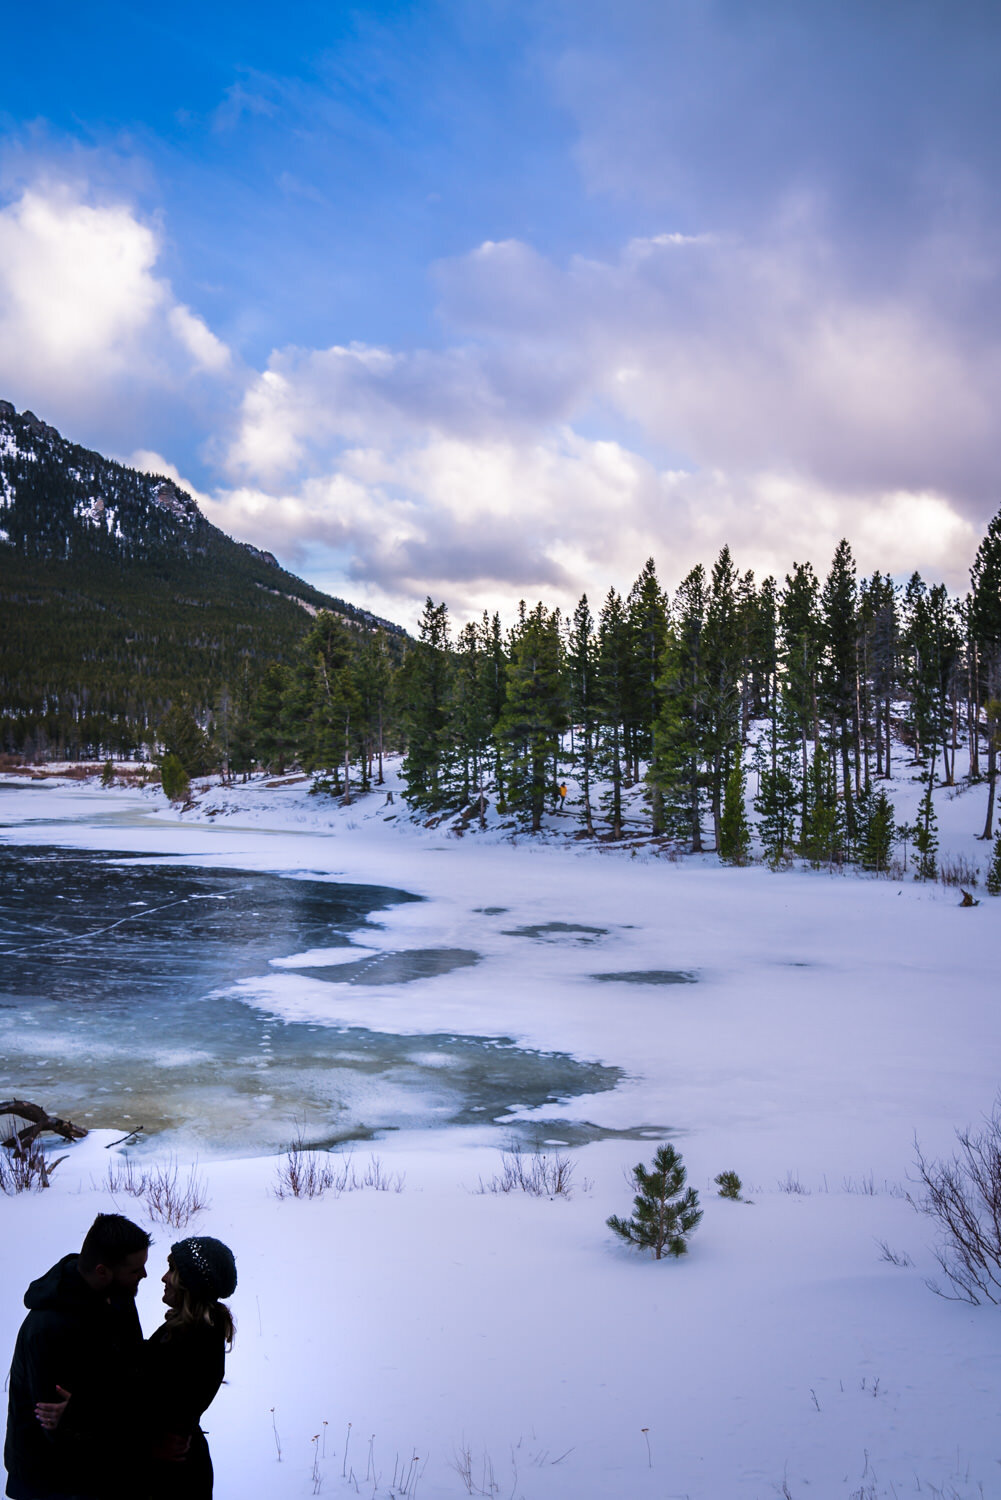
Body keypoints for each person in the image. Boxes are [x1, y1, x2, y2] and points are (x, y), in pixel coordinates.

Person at [4, 1213, 150, 1500]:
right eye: (136, 1270)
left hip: (93, 1469)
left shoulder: (118, 1295)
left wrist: (88, 1407)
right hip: (48, 1481)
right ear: (102, 1270)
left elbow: (133, 1369)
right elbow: (60, 1429)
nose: (144, 1275)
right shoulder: (47, 1329)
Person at [144, 1237, 236, 1500]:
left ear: (190, 1285)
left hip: (173, 1480)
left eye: (172, 1269)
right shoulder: (189, 1331)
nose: (163, 1277)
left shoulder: (192, 1343)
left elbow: (146, 1405)